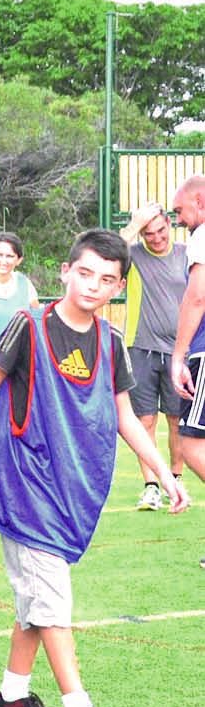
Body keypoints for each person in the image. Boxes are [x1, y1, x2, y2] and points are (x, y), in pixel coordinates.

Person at [0, 229, 185, 707]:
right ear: (65, 271)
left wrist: (164, 473)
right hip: (23, 485)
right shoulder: (27, 327)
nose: (93, 286)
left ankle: (12, 696)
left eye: (107, 279)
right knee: (52, 598)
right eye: (85, 273)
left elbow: (125, 415)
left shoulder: (111, 341)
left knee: (36, 594)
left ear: (119, 286)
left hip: (72, 488)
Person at [119, 201, 191, 508]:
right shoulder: (132, 256)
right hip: (141, 348)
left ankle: (174, 479)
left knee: (176, 419)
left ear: (169, 225)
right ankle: (151, 486)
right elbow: (106, 252)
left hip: (179, 352)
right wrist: (134, 227)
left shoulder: (187, 254)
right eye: (148, 233)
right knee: (144, 420)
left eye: (160, 230)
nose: (156, 237)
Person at [166, 176, 205, 516]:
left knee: (190, 444)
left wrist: (178, 356)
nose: (178, 219)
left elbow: (197, 296)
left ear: (200, 202)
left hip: (204, 351)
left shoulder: (202, 236)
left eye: (180, 210)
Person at [0, 232, 40, 348]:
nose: (3, 261)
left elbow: (37, 322)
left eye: (9, 256)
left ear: (19, 260)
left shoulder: (25, 284)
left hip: (18, 360)